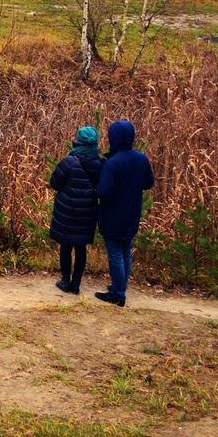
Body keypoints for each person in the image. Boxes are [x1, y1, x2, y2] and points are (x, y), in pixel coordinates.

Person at [95, 120, 154, 306]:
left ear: (113, 137)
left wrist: (94, 191)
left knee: (114, 252)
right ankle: (121, 285)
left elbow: (104, 191)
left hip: (113, 212)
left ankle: (118, 294)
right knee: (126, 249)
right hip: (133, 211)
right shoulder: (141, 158)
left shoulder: (112, 163)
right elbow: (149, 183)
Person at [48, 126, 103, 294]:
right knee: (81, 247)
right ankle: (76, 283)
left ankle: (65, 280)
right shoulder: (101, 163)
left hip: (67, 210)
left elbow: (54, 183)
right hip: (87, 211)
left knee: (66, 246)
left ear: (78, 139)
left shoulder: (69, 161)